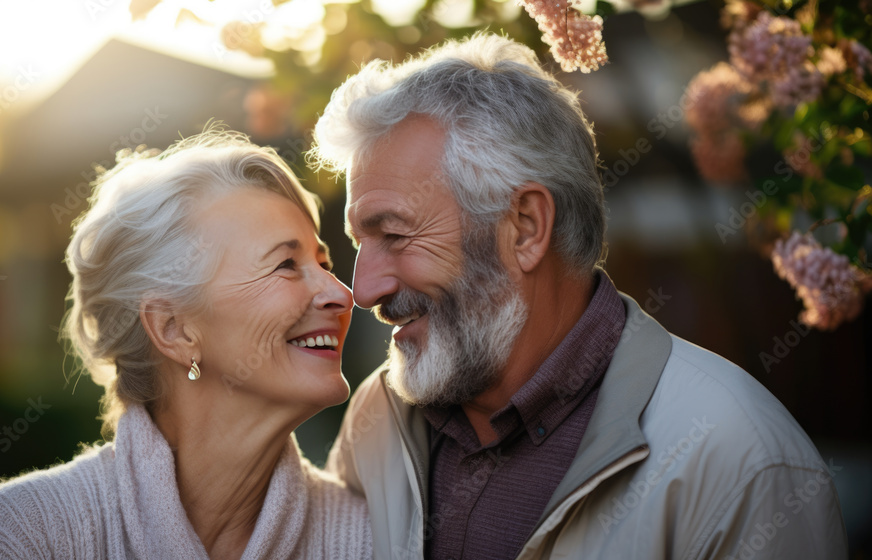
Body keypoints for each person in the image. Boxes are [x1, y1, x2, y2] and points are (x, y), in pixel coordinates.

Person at [311, 32, 847, 560]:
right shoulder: (378, 417)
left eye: (396, 235)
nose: (362, 290)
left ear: (524, 227)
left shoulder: (741, 463)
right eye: (362, 244)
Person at [0, 128, 371, 559]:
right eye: (286, 264)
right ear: (174, 329)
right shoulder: (32, 533)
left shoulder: (367, 540)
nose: (342, 293)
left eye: (324, 263)